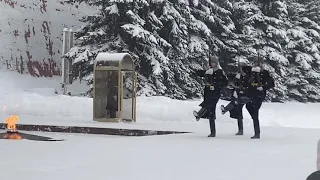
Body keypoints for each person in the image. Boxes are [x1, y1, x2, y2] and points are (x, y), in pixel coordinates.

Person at [193, 55, 228, 137]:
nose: (212, 64)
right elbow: (201, 74)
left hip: (215, 93)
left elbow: (224, 83)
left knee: (209, 105)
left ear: (216, 63)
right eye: (211, 62)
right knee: (211, 112)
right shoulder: (208, 71)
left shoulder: (220, 72)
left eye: (213, 62)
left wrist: (216, 85)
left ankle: (199, 114)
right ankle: (212, 132)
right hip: (208, 92)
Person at [245, 56, 275, 139]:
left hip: (259, 94)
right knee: (248, 106)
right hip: (251, 93)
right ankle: (254, 118)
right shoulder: (251, 72)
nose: (257, 64)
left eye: (259, 63)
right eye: (255, 63)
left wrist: (263, 87)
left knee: (255, 110)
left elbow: (271, 83)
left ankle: (257, 133)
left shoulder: (265, 73)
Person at [220, 64, 252, 135]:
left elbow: (246, 86)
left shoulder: (248, 78)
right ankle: (240, 130)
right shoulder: (239, 77)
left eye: (243, 71)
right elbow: (235, 82)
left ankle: (225, 109)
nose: (241, 72)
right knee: (238, 111)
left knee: (236, 103)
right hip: (239, 95)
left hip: (246, 96)